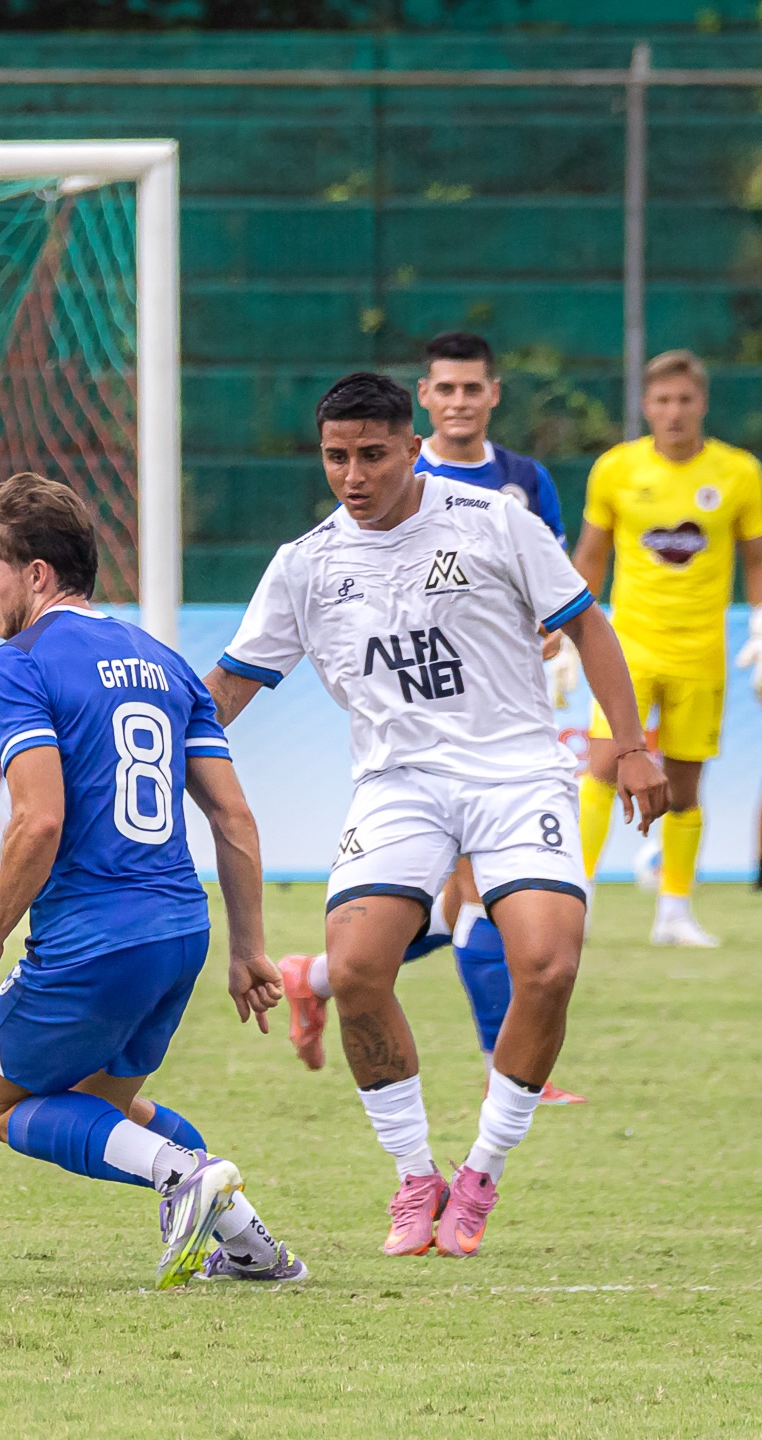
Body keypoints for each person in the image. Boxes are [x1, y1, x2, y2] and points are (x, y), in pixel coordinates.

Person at [203, 374, 668, 1259]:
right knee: (357, 967)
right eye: (337, 457)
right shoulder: (306, 564)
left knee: (548, 965)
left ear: (413, 448)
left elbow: (587, 625)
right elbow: (229, 685)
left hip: (517, 774)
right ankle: (415, 1176)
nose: (353, 476)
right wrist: (145, 741)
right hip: (399, 785)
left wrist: (632, 745)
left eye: (373, 455)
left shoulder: (495, 521)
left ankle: (481, 1174)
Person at [0, 471, 306, 1288]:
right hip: (179, 934)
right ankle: (250, 1248)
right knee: (100, 1104)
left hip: (94, 938)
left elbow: (39, 821)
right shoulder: (168, 665)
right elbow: (235, 819)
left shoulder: (17, 664)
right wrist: (248, 949)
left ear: (37, 574)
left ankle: (182, 1176)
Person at [279, 332, 585, 1105]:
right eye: (445, 388)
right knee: (474, 900)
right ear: (425, 400)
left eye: (471, 388)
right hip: (427, 741)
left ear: (493, 395)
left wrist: (553, 630)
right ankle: (499, 1066)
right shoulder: (386, 484)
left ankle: (317, 977)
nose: (458, 401)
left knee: (467, 904)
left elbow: (553, 583)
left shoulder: (521, 485)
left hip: (510, 713)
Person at [570, 350, 762, 946]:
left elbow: (756, 559)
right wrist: (564, 631)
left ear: (702, 403)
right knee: (603, 765)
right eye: (663, 400)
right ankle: (576, 897)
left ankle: (674, 911)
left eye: (684, 400)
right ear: (645, 406)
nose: (674, 411)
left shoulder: (739, 473)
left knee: (684, 787)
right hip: (629, 647)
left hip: (701, 653)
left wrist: (761, 626)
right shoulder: (616, 469)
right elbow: (591, 556)